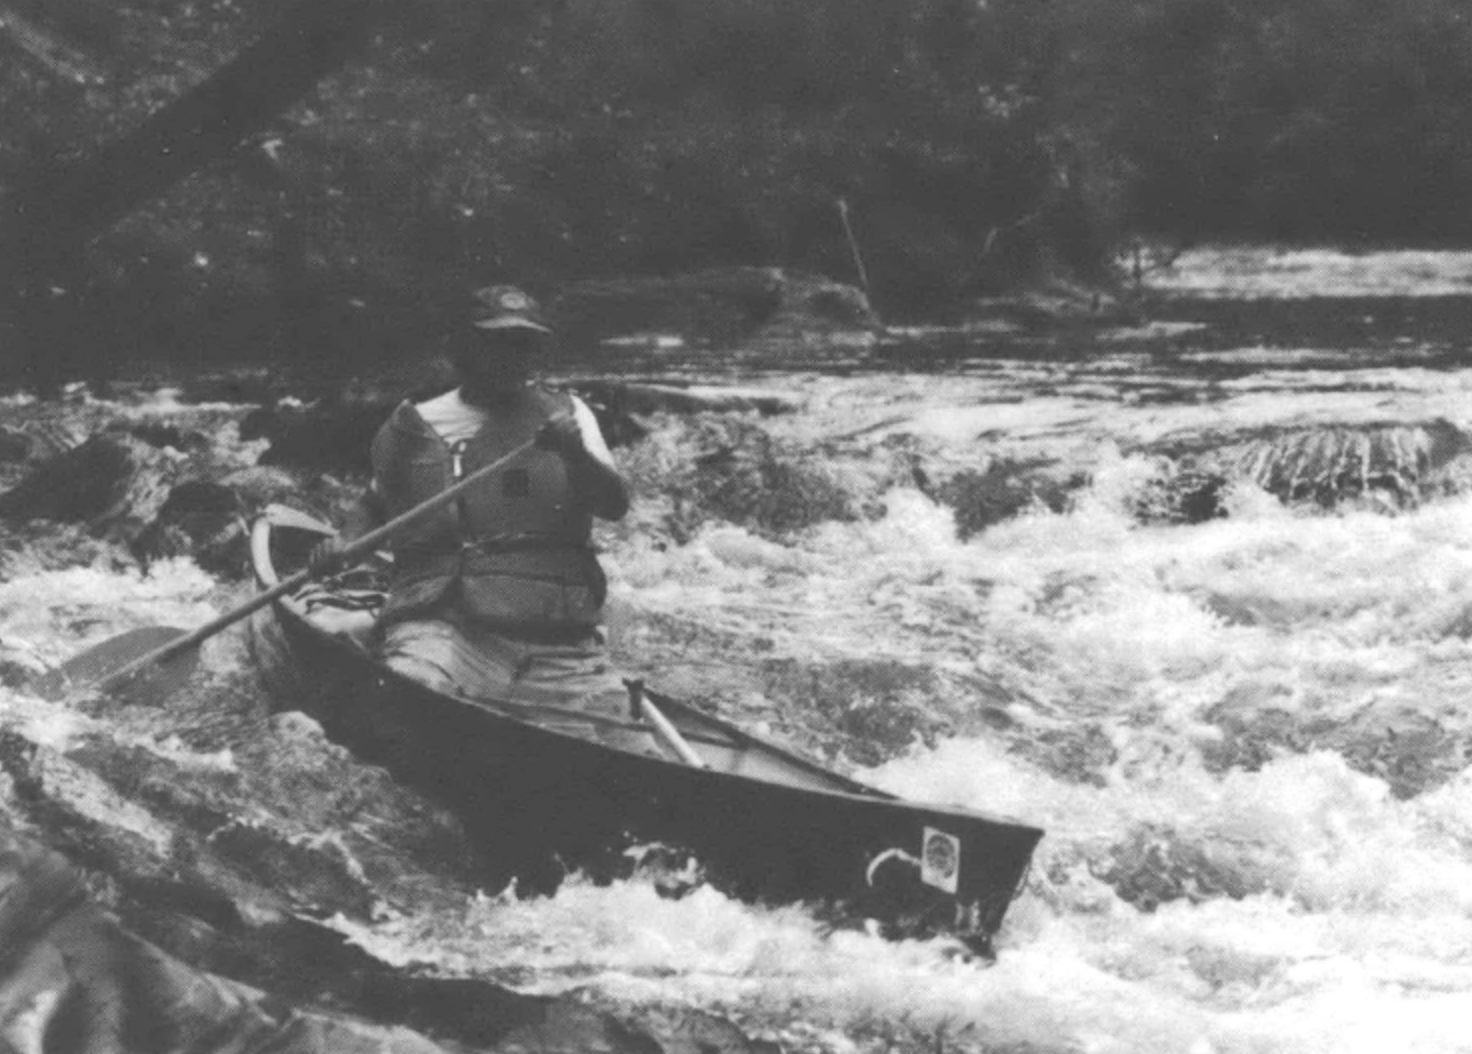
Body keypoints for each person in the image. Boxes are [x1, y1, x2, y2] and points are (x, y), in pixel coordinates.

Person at [309, 284, 631, 714]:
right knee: (413, 688)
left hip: (556, 635)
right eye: (497, 342)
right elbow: (376, 503)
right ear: (461, 346)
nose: (513, 356)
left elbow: (614, 505)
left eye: (525, 344)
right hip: (446, 625)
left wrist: (573, 453)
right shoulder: (416, 424)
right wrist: (344, 545)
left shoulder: (570, 416)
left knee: (618, 731)